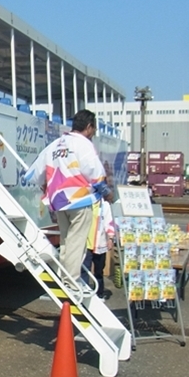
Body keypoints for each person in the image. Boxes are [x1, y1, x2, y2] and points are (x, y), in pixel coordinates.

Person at [23, 109, 113, 293]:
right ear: (89, 127)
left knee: (66, 240)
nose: (93, 133)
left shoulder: (55, 145)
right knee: (77, 241)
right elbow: (95, 173)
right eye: (93, 129)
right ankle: (71, 281)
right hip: (79, 200)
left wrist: (45, 186)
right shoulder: (84, 145)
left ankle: (64, 275)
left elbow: (34, 173)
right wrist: (107, 193)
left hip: (58, 201)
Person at [82, 199, 115, 301]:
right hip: (85, 243)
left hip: (100, 243)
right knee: (84, 269)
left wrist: (110, 238)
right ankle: (84, 292)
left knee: (99, 270)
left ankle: (99, 294)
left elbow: (109, 222)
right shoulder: (84, 203)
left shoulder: (105, 205)